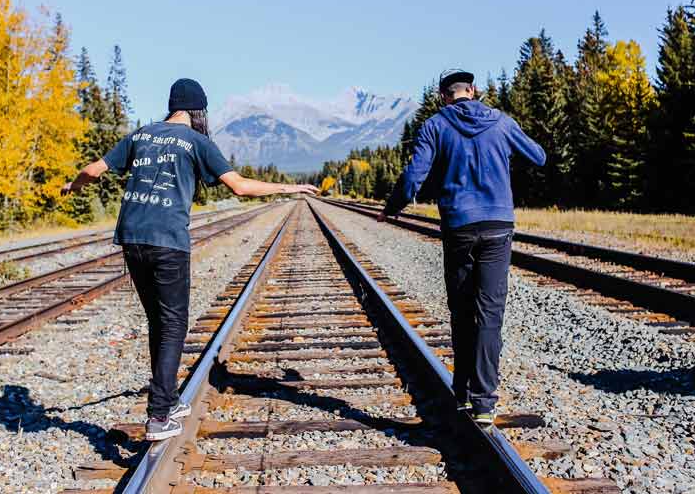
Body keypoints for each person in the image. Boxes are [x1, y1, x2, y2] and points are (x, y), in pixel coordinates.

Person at [62, 78, 318, 441]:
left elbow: (92, 169)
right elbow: (240, 187)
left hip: (131, 238)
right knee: (174, 323)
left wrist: (74, 186)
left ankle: (167, 397)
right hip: (167, 241)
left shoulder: (141, 135)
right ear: (199, 110)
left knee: (158, 322)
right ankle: (158, 416)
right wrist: (292, 188)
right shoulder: (197, 141)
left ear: (172, 106)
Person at [377, 69, 545, 425]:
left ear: (443, 96)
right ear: (474, 91)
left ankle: (463, 393)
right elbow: (539, 156)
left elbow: (412, 178)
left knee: (462, 308)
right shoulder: (501, 122)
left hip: (459, 226)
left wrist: (391, 209)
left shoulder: (435, 126)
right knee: (490, 313)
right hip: (499, 226)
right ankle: (485, 402)